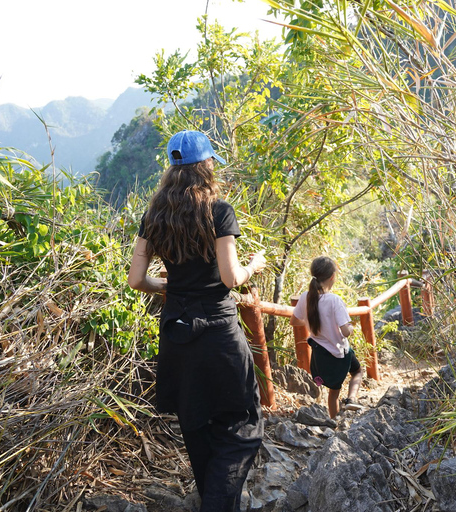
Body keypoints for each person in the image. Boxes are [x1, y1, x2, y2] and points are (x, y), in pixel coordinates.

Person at [127, 129, 266, 512]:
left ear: (173, 170)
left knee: (196, 424)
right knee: (244, 427)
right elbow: (230, 277)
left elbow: (136, 279)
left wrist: (168, 287)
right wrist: (253, 264)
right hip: (219, 334)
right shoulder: (218, 211)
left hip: (177, 336)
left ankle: (217, 502)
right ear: (206, 165)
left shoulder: (154, 216)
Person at [290, 256, 364, 419]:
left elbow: (294, 321)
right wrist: (351, 327)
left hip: (320, 355)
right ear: (332, 276)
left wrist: (311, 324)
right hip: (339, 353)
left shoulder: (305, 297)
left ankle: (334, 422)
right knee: (357, 371)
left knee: (333, 392)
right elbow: (345, 332)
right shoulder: (335, 300)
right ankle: (351, 398)